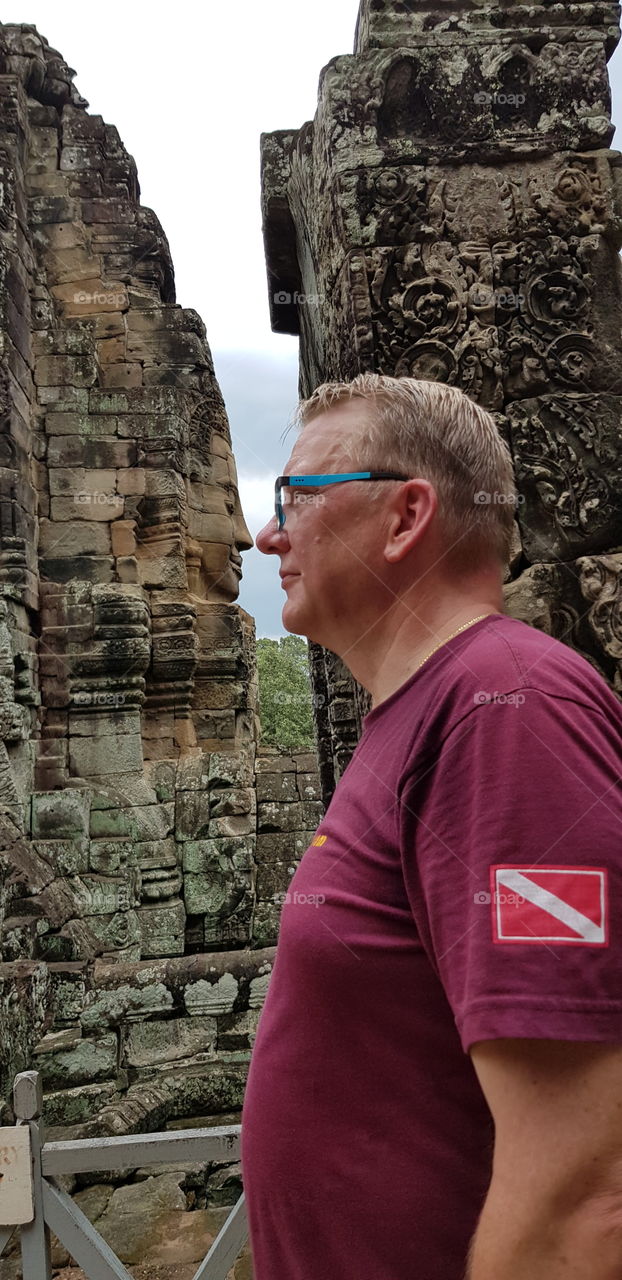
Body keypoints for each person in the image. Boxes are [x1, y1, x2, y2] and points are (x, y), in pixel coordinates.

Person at [241, 373, 622, 1280]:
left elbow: (587, 1192)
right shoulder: (423, 713)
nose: (267, 535)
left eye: (295, 496)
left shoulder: (506, 712)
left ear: (406, 517)